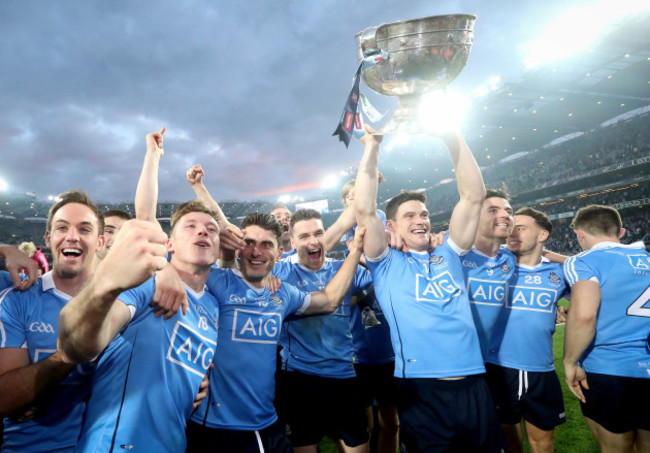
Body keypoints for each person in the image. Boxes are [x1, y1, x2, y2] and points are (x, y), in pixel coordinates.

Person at [58, 128, 220, 452]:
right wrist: (153, 157)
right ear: (169, 242)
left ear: (219, 247)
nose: (203, 229)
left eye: (212, 228)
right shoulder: (147, 284)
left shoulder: (215, 306)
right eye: (191, 226)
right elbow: (77, 344)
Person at [353, 125, 503, 452]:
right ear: (391, 226)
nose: (420, 219)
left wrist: (453, 137)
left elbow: (474, 196)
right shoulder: (385, 262)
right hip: (421, 389)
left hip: (475, 382)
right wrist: (372, 146)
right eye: (409, 215)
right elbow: (365, 209)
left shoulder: (449, 252)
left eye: (423, 213)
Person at [186, 212, 366, 453]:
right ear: (239, 247)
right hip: (216, 424)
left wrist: (354, 254)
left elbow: (330, 300)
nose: (256, 251)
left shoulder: (284, 294)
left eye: (266, 245)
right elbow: (180, 268)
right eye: (249, 243)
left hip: (266, 421)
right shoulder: (217, 282)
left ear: (279, 253)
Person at [0, 190, 104, 452]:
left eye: (84, 229)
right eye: (62, 227)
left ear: (100, 242)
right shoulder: (18, 297)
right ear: (48, 238)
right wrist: (4, 249)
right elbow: (4, 398)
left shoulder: (124, 303)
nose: (72, 236)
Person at [273, 208, 373, 453]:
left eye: (318, 232)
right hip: (299, 379)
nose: (313, 240)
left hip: (344, 374)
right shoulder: (281, 273)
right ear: (292, 242)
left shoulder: (347, 268)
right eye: (304, 236)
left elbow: (380, 281)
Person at [563, 204, 650, 452]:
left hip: (608, 371)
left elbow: (585, 315)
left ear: (579, 234)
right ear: (621, 232)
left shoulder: (582, 261)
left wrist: (570, 362)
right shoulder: (646, 259)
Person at [485, 207, 569, 453]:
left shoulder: (561, 272)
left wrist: (563, 259)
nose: (513, 232)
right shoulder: (491, 263)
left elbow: (600, 289)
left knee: (542, 445)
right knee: (506, 441)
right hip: (496, 366)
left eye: (521, 228)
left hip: (539, 370)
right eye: (511, 227)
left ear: (542, 235)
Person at [461, 188, 517, 359]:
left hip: (496, 362)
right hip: (456, 363)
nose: (505, 215)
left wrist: (552, 255)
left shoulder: (510, 258)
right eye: (493, 210)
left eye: (509, 211)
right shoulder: (450, 253)